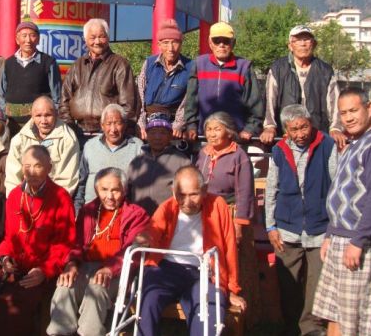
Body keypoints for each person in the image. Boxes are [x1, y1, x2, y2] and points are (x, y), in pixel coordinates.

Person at [0, 145, 76, 336]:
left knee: (12, 302)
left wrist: (44, 271)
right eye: (27, 166)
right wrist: (4, 258)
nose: (32, 172)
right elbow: (9, 237)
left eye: (38, 166)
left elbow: (64, 243)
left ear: (49, 168)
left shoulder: (61, 198)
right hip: (14, 262)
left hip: (40, 268)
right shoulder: (15, 195)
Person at [312, 88, 371, 336]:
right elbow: (341, 192)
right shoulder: (353, 144)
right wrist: (330, 233)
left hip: (356, 241)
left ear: (369, 108)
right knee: (334, 313)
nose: (348, 118)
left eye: (353, 111)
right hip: (339, 237)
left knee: (351, 321)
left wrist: (358, 241)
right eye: (343, 113)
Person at [135, 166, 247, 336]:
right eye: (181, 195)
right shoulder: (167, 207)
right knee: (147, 300)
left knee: (209, 310)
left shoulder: (218, 205)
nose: (187, 202)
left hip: (204, 273)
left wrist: (231, 290)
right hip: (166, 268)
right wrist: (146, 237)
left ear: (204, 190)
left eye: (193, 194)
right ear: (174, 192)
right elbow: (153, 230)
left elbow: (229, 247)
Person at [47, 167, 149, 336]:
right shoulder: (88, 211)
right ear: (96, 190)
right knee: (66, 284)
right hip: (85, 266)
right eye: (104, 190)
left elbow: (134, 250)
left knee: (97, 287)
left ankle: (88, 333)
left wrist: (109, 269)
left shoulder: (136, 215)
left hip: (117, 272)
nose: (109, 196)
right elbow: (77, 243)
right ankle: (59, 332)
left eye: (115, 190)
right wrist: (71, 264)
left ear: (124, 190)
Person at [265, 104, 337, 336]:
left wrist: (334, 228)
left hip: (320, 229)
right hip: (287, 229)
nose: (300, 134)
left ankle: (312, 329)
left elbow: (336, 187)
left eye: (303, 127)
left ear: (311, 122)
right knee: (288, 285)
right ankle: (290, 327)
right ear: (286, 130)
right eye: (293, 129)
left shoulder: (327, 145)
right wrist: (270, 226)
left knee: (316, 285)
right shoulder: (279, 150)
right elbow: (271, 190)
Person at [195, 111, 257, 325]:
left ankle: (233, 304)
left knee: (231, 257)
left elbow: (245, 192)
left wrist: (239, 224)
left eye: (217, 129)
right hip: (205, 211)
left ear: (229, 133)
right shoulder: (203, 153)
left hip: (228, 213)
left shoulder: (239, 156)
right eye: (208, 129)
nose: (211, 134)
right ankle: (207, 297)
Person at [260, 25, 347, 150]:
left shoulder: (325, 70)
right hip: (286, 135)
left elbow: (334, 102)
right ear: (290, 46)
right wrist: (269, 126)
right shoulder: (278, 68)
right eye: (298, 40)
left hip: (316, 135)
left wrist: (336, 128)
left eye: (307, 39)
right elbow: (270, 99)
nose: (303, 44)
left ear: (314, 44)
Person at [59, 18, 138, 144]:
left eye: (101, 36)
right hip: (78, 132)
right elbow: (64, 101)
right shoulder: (77, 65)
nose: (97, 41)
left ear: (108, 37)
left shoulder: (119, 64)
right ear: (85, 40)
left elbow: (128, 105)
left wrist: (118, 131)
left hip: (108, 134)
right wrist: (69, 128)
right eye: (92, 37)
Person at [183, 22, 264, 140]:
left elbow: (255, 104)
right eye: (217, 41)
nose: (221, 45)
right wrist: (191, 126)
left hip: (235, 135)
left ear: (233, 43)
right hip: (205, 135)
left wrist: (250, 129)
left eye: (226, 41)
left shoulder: (244, 67)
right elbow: (191, 100)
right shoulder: (199, 64)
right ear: (210, 43)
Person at [5, 96, 80, 196]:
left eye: (48, 115)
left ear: (56, 114)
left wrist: (51, 203)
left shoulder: (68, 139)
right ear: (32, 115)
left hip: (54, 200)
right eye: (38, 116)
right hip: (25, 199)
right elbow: (12, 178)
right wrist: (17, 201)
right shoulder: (19, 139)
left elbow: (67, 180)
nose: (43, 121)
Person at [74, 103, 143, 210]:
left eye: (117, 123)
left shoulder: (137, 147)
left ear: (125, 125)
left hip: (124, 212)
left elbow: (142, 186)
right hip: (92, 211)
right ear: (102, 126)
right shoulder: (90, 146)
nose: (113, 129)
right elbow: (81, 182)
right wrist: (78, 210)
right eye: (108, 123)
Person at [0, 21, 61, 132]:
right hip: (11, 123)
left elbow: (57, 96)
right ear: (17, 40)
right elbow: (1, 92)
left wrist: (51, 117)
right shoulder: (8, 63)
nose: (28, 40)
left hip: (38, 123)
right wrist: (4, 114)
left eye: (32, 35)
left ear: (38, 39)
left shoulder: (48, 62)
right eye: (24, 36)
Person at [137, 19, 193, 140]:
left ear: (181, 44)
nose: (171, 48)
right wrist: (141, 124)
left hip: (172, 124)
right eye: (166, 43)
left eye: (175, 42)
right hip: (147, 122)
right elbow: (140, 95)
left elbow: (188, 101)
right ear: (159, 44)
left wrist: (177, 125)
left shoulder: (190, 67)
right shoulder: (149, 63)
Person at [127, 115, 191, 215]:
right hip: (139, 219)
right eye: (153, 132)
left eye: (163, 133)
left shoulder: (182, 162)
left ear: (170, 136)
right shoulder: (137, 162)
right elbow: (128, 191)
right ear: (147, 135)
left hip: (168, 218)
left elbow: (189, 193)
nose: (157, 137)